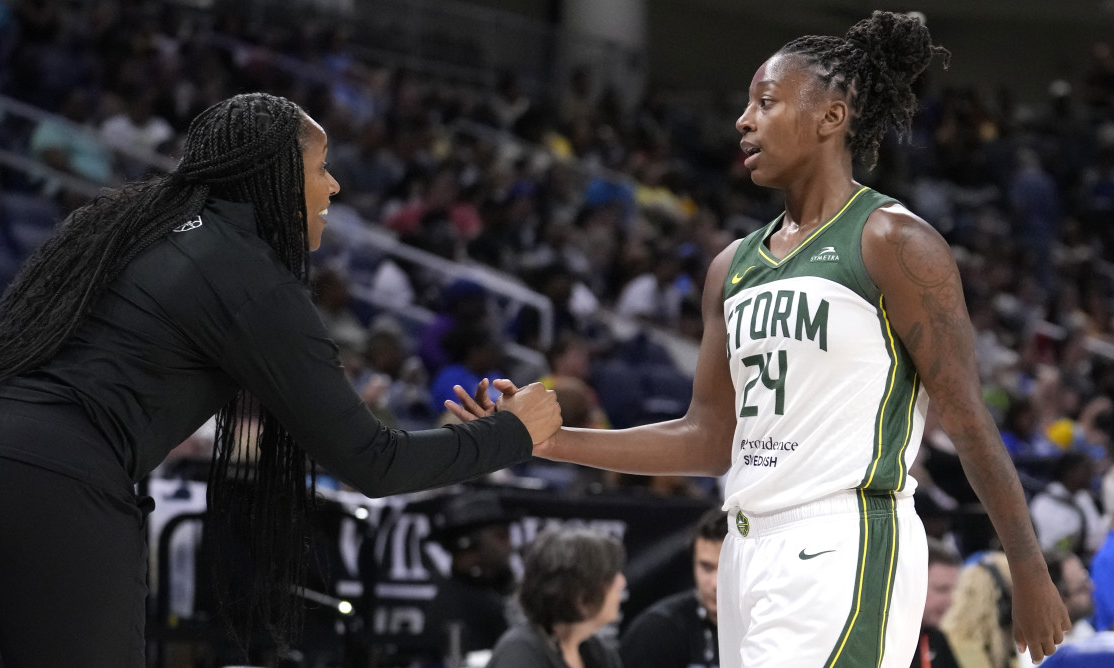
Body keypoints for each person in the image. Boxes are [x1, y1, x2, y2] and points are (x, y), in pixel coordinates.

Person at [449, 10, 1069, 666]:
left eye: (766, 102)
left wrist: (1027, 568)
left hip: (843, 539)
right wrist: (547, 440)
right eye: (747, 105)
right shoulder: (732, 266)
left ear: (832, 117)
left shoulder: (893, 241)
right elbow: (708, 438)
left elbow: (968, 415)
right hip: (745, 551)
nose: (744, 120)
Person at [0, 92, 561, 667]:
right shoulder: (248, 274)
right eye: (320, 168)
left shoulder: (108, 224)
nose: (333, 187)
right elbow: (374, 462)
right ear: (279, 176)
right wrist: (513, 436)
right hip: (51, 479)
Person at [485, 526, 624, 668]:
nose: (621, 582)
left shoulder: (596, 650)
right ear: (578, 594)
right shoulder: (518, 651)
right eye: (609, 577)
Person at [620, 507, 726, 668]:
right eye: (706, 567)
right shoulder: (656, 631)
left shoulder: (769, 622)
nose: (715, 584)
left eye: (726, 569)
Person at [421, 491, 519, 663]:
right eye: (502, 536)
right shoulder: (451, 606)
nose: (510, 545)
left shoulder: (505, 592)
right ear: (468, 544)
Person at [911, 538, 963, 668]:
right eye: (941, 589)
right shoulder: (878, 640)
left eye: (952, 590)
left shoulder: (936, 639)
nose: (950, 600)